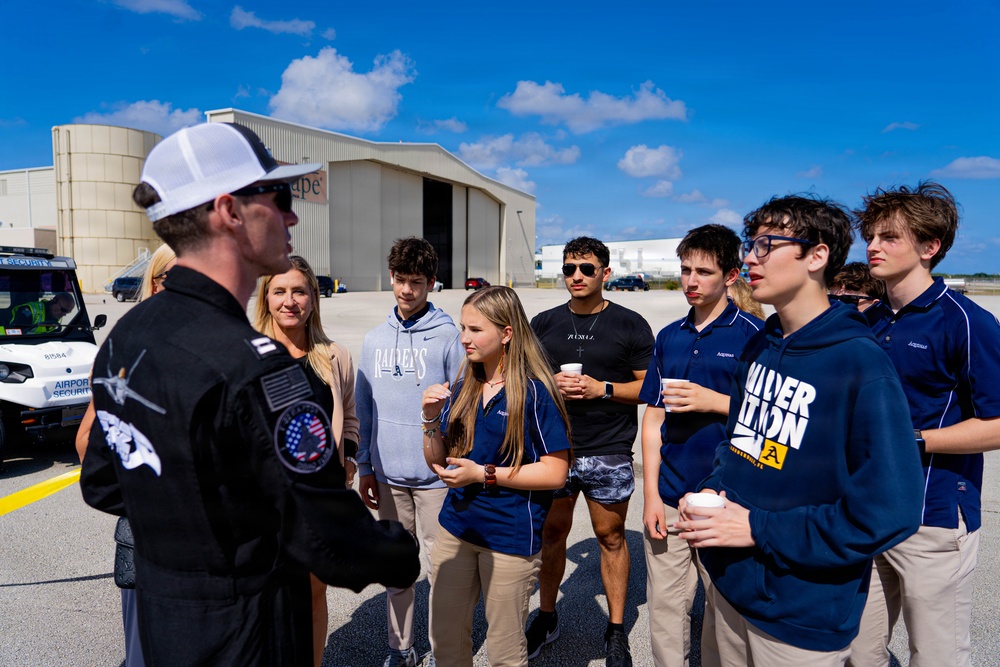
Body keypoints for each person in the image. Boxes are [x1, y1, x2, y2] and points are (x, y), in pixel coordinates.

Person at [79, 122, 419, 667]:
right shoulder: (259, 370)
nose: (291, 216)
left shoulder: (127, 338)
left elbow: (101, 481)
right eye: (279, 197)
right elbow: (329, 537)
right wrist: (401, 554)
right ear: (229, 212)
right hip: (250, 636)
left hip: (166, 627)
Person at [680, 194, 923, 666]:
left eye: (767, 245)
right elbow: (736, 445)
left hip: (802, 614)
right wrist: (710, 493)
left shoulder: (860, 363)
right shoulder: (761, 343)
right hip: (731, 589)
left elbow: (889, 512)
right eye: (752, 245)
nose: (750, 257)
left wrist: (756, 527)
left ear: (817, 255)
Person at [848, 182, 1000, 667]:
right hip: (866, 514)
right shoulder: (868, 324)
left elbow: (997, 424)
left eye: (889, 237)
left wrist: (912, 440)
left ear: (929, 247)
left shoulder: (966, 322)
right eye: (871, 235)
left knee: (935, 656)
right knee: (856, 653)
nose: (872, 245)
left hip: (932, 518)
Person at [421, 285, 572, 666]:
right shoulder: (462, 389)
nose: (465, 339)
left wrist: (484, 474)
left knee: (505, 651)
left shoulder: (535, 393)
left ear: (507, 333)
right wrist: (427, 419)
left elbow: (556, 472)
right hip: (456, 529)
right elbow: (439, 464)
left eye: (476, 330)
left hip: (509, 537)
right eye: (463, 328)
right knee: (445, 639)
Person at [638, 224, 762, 667]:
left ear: (731, 275)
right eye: (686, 270)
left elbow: (771, 422)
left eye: (703, 272)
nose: (691, 281)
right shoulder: (669, 335)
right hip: (670, 495)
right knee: (666, 612)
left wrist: (715, 402)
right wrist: (651, 495)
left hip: (727, 498)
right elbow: (653, 418)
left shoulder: (755, 335)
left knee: (723, 618)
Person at [526, 236, 653, 667]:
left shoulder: (630, 324)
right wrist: (547, 386)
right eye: (568, 269)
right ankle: (546, 617)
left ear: (605, 273)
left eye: (585, 268)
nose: (576, 276)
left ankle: (615, 631)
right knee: (551, 533)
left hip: (608, 447)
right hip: (554, 447)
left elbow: (649, 388)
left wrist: (603, 389)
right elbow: (520, 378)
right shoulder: (542, 322)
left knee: (611, 537)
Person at [355, 236, 464, 667]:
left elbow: (464, 404)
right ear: (391, 278)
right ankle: (400, 649)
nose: (406, 291)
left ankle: (442, 650)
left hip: (437, 477)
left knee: (443, 573)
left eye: (416, 282)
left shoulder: (449, 336)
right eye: (400, 280)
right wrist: (365, 464)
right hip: (387, 476)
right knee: (399, 570)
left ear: (431, 283)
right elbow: (364, 409)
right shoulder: (373, 339)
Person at [254, 255, 361, 667]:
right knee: (264, 592)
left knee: (315, 591)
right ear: (266, 298)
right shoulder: (248, 355)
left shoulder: (333, 356)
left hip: (318, 500)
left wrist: (348, 459)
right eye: (279, 291)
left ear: (314, 299)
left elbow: (349, 415)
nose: (289, 301)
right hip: (263, 501)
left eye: (299, 291)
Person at [75, 242, 176, 667]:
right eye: (175, 279)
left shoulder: (226, 346)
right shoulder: (124, 350)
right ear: (154, 286)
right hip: (149, 539)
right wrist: (142, 493)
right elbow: (86, 441)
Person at [10, 292, 76, 332]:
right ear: (53, 301)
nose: (64, 314)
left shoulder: (56, 316)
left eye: (68, 312)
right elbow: (15, 332)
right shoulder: (29, 311)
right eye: (63, 310)